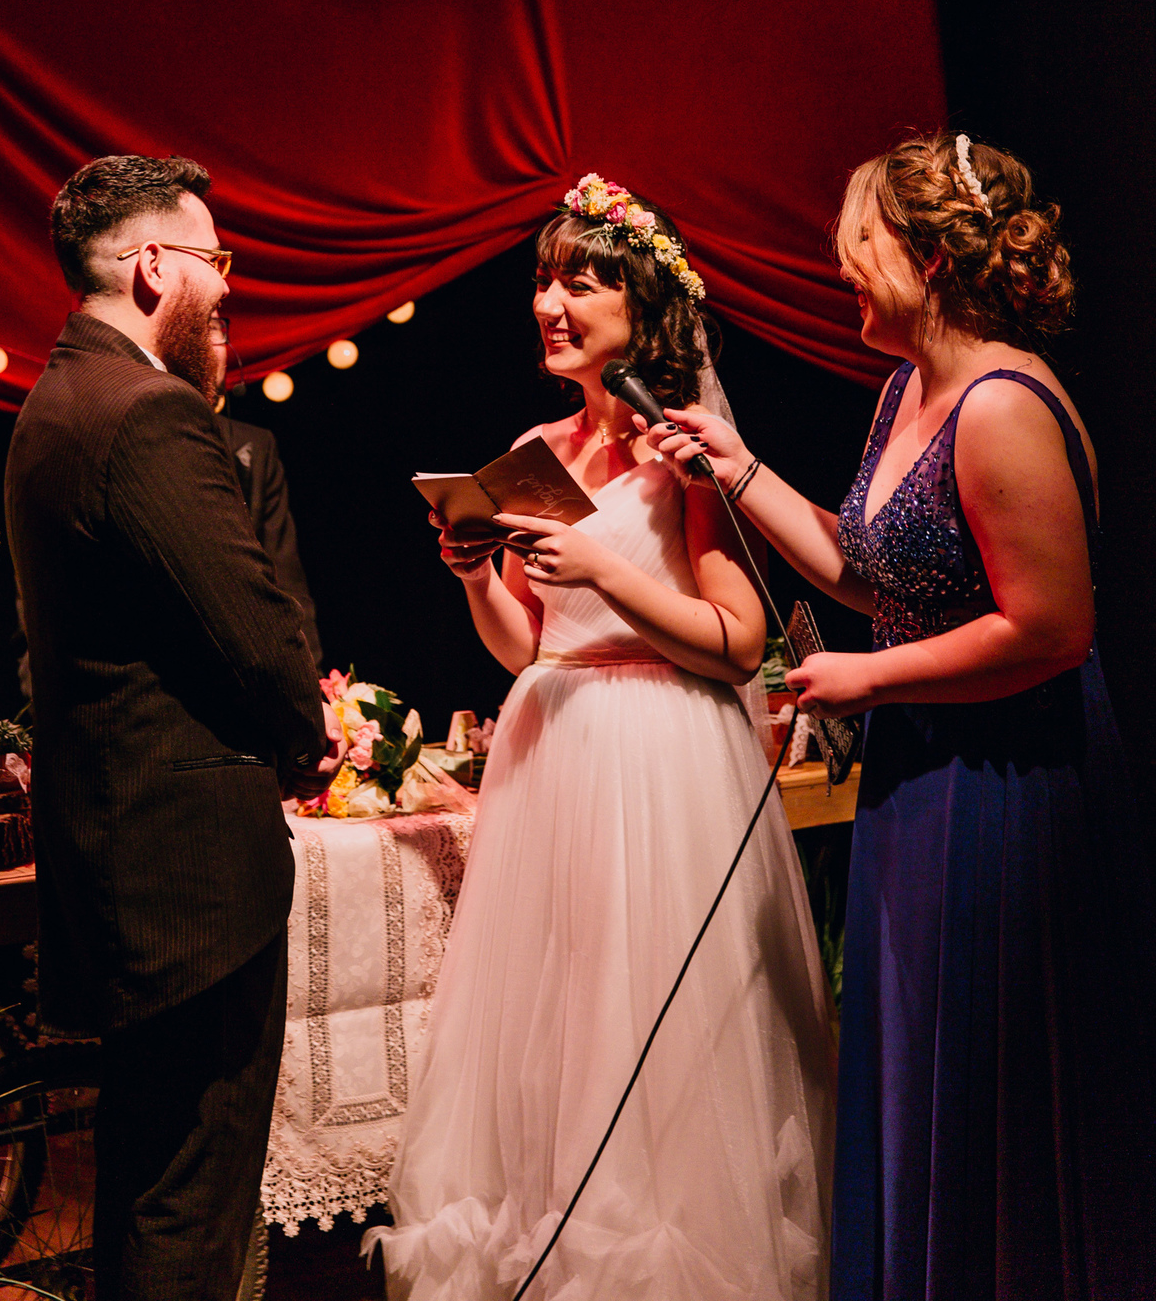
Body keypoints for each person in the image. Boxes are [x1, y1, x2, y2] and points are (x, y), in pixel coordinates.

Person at [651, 133, 1156, 1299]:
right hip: (925, 775)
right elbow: (868, 569)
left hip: (1009, 790)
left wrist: (870, 680)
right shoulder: (903, 392)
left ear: (927, 260)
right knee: (917, 1071)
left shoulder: (1001, 404)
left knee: (991, 1085)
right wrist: (734, 468)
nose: (840, 269)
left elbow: (1052, 629)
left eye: (858, 246)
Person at [365, 174, 836, 1301]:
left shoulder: (685, 453)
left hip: (657, 758)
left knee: (650, 1033)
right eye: (544, 278)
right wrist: (479, 579)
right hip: (551, 752)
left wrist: (608, 572)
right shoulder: (535, 446)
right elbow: (531, 651)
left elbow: (735, 641)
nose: (553, 301)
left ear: (645, 305)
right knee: (556, 1036)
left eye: (584, 279)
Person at [5, 154, 347, 1300]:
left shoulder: (57, 399)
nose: (228, 285)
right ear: (154, 266)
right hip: (189, 879)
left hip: (126, 862)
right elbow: (252, 627)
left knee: (150, 1191)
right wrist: (308, 737)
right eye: (215, 260)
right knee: (190, 1210)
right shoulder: (146, 412)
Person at [209, 313, 325, 669]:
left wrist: (315, 684)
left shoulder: (254, 446)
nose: (215, 345)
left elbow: (287, 582)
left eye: (215, 326)